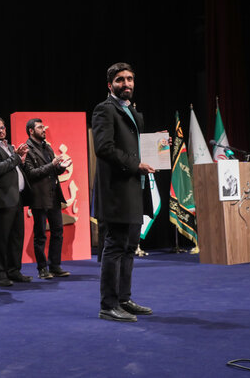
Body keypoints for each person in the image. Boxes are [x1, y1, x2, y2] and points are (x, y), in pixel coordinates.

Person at [92, 62, 154, 322]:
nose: (126, 83)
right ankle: (108, 305)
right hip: (116, 190)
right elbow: (103, 148)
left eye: (129, 79)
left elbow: (136, 146)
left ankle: (124, 299)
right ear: (110, 85)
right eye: (120, 80)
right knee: (115, 247)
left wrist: (158, 148)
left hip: (133, 188)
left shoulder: (133, 111)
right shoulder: (105, 110)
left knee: (130, 246)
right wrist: (134, 164)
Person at [0, 115, 32, 286]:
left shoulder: (9, 147)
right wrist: (16, 157)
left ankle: (14, 270)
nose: (1, 131)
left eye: (3, 128)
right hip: (2, 199)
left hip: (16, 198)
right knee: (0, 240)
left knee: (16, 237)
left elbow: (14, 168)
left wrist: (21, 159)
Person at [23, 118, 71, 279]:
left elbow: (53, 170)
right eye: (40, 127)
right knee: (41, 234)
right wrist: (52, 164)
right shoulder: (27, 149)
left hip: (54, 195)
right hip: (39, 197)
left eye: (43, 127)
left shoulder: (47, 147)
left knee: (58, 231)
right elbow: (31, 174)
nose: (44, 129)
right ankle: (42, 268)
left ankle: (55, 265)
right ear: (31, 131)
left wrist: (60, 167)